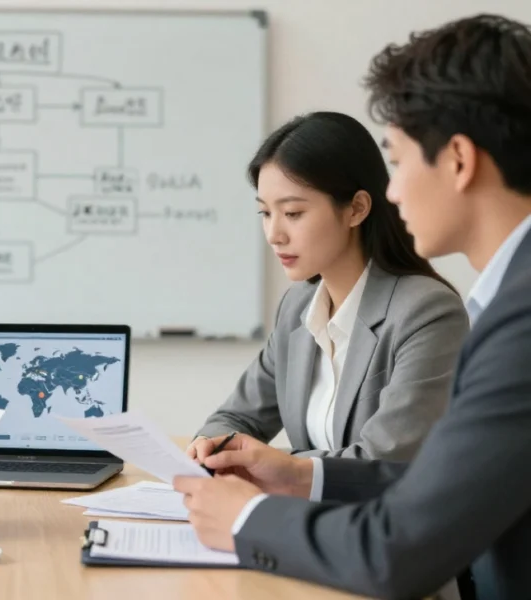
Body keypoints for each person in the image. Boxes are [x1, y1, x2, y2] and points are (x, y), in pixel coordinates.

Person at [174, 14, 531, 600]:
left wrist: (245, 519)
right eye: (265, 213)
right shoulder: (502, 303)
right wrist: (285, 471)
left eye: (399, 159)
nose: (394, 190)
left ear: (459, 160)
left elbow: (403, 529)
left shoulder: (503, 320)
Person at [188, 111, 468, 461]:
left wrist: (275, 466)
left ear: (356, 209)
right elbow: (236, 418)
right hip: (308, 511)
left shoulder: (427, 312)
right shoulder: (298, 308)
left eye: (292, 213)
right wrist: (210, 445)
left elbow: (385, 458)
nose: (274, 234)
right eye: (265, 213)